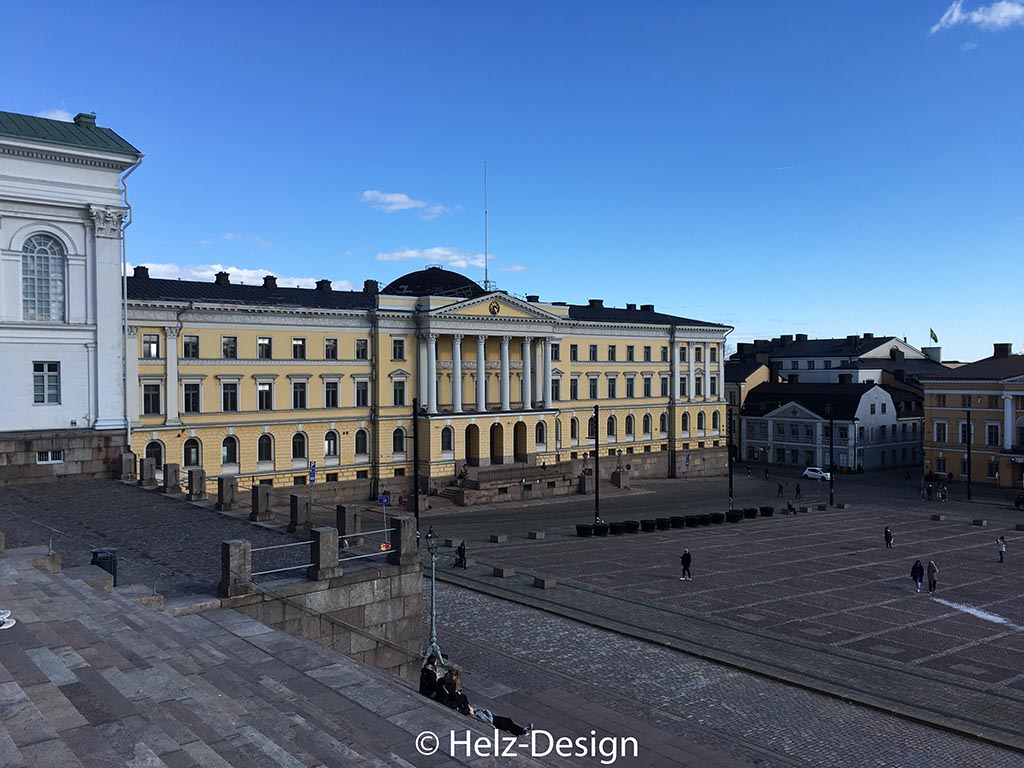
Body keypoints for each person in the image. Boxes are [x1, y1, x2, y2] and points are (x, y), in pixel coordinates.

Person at [444, 668, 532, 736]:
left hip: (495, 718)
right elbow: (488, 720)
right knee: (508, 723)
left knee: (509, 722)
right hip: (494, 720)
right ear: (470, 711)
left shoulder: (475, 712)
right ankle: (521, 731)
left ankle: (522, 730)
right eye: (470, 707)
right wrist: (487, 712)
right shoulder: (476, 715)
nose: (471, 707)